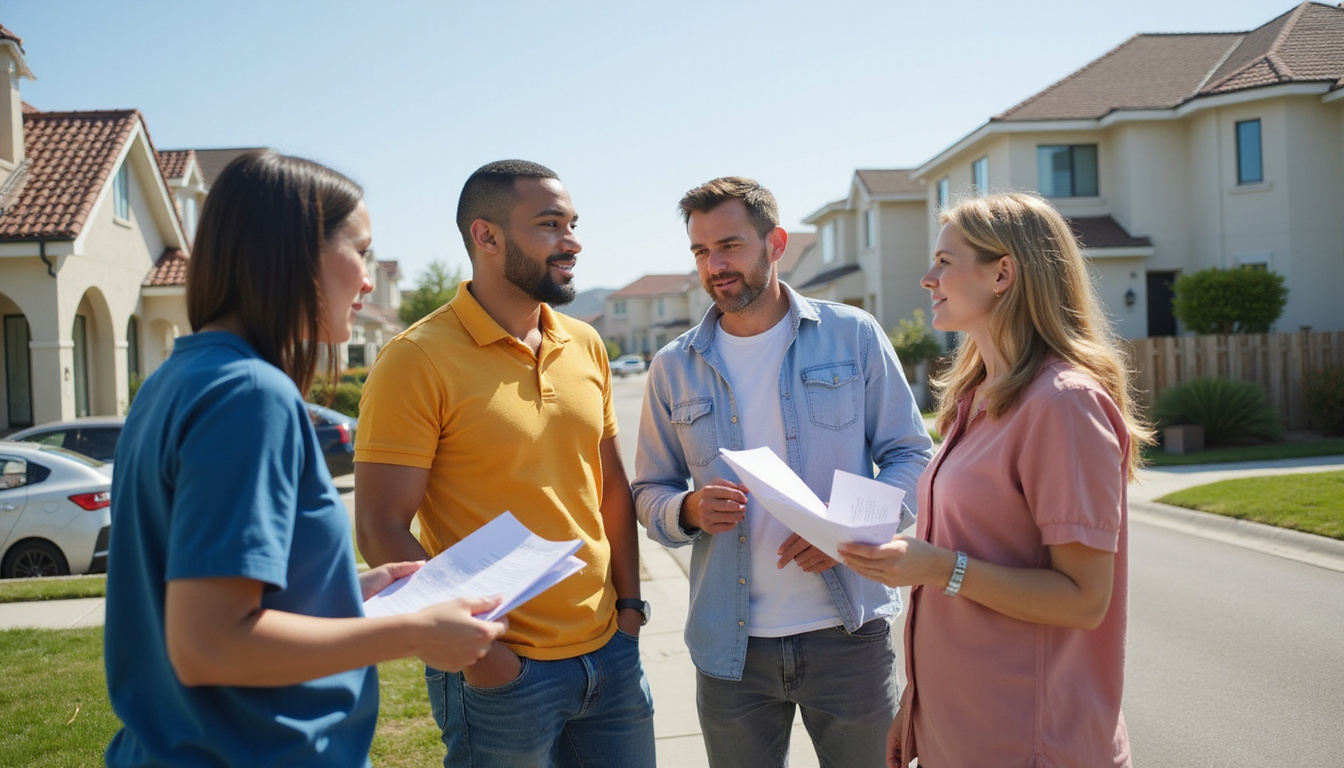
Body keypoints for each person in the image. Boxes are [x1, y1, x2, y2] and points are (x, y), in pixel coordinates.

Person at [104, 150, 506, 768]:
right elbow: (208, 644)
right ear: (294, 254)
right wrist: (414, 634)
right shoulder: (248, 395)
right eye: (361, 252)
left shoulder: (179, 378)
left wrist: (347, 590)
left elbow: (211, 592)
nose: (369, 280)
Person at [353, 159, 655, 768]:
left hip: (611, 654)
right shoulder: (415, 359)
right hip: (501, 673)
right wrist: (486, 659)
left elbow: (610, 490)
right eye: (549, 225)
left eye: (572, 224)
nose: (571, 241)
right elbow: (379, 527)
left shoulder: (586, 342)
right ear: (486, 237)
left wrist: (629, 610)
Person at [838, 192, 1154, 768]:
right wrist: (918, 700)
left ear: (1003, 272)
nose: (927, 278)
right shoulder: (974, 400)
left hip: (1029, 739)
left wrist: (936, 566)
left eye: (945, 262)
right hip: (957, 730)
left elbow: (1085, 600)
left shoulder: (1064, 405)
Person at [633, 176, 934, 768]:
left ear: (775, 243)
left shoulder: (852, 335)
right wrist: (687, 511)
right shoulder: (674, 367)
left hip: (848, 635)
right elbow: (649, 488)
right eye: (700, 251)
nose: (714, 265)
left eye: (730, 246)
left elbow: (911, 454)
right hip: (730, 649)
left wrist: (849, 532)